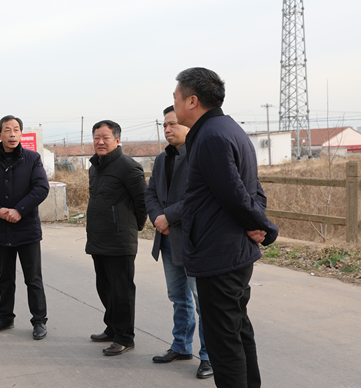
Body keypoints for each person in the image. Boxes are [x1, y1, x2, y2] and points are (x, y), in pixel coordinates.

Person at [173, 67, 279, 388]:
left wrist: (263, 227)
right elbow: (252, 189)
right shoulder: (228, 129)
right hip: (232, 251)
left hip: (219, 254)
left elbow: (234, 193)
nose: (174, 104)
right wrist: (255, 223)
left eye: (176, 97)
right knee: (238, 330)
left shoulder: (211, 136)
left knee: (223, 342)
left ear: (192, 101)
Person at [145, 106, 212, 379]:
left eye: (172, 123)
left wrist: (168, 217)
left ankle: (209, 356)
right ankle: (181, 345)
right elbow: (150, 193)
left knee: (202, 300)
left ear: (187, 125)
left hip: (193, 240)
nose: (168, 129)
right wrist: (157, 218)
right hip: (167, 239)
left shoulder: (199, 156)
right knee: (178, 298)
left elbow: (199, 198)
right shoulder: (162, 158)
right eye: (164, 125)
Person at [0, 115, 50, 340]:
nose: (13, 134)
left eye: (16, 129)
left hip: (27, 228)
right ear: (0, 135)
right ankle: (5, 318)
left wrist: (19, 210)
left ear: (21, 134)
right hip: (2, 228)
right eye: (7, 130)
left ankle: (39, 321)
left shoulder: (32, 158)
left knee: (33, 279)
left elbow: (41, 188)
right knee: (5, 278)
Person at [85, 120, 147, 356]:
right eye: (96, 138)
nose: (100, 142)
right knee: (104, 287)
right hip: (98, 236)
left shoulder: (128, 167)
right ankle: (112, 328)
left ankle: (124, 337)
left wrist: (132, 228)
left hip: (120, 240)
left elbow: (142, 202)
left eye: (105, 138)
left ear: (118, 140)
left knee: (121, 291)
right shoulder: (95, 167)